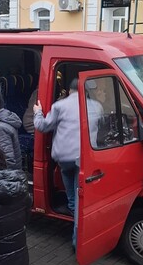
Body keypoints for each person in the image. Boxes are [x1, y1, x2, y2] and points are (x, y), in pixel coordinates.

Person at [33, 78, 103, 216]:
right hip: (85, 156)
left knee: (67, 173)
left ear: (70, 91)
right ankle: (78, 209)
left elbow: (43, 126)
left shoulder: (59, 106)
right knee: (80, 184)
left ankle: (73, 206)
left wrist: (38, 112)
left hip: (64, 156)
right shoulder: (97, 106)